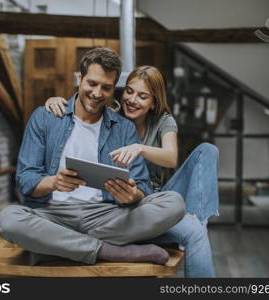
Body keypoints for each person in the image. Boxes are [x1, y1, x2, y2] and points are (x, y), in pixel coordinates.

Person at [0, 48, 185, 267]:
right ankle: (109, 251)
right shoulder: (45, 117)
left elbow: (142, 185)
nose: (97, 93)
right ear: (79, 78)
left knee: (174, 203)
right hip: (52, 215)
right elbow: (25, 179)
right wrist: (54, 182)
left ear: (114, 89)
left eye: (106, 87)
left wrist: (131, 195)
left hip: (106, 216)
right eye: (92, 83)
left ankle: (58, 247)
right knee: (8, 220)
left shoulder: (123, 128)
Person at [45, 65, 219, 277]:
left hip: (160, 195)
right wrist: (54, 100)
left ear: (154, 102)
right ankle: (191, 226)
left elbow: (171, 158)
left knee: (207, 151)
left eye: (143, 96)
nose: (132, 100)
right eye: (129, 91)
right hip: (128, 202)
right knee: (194, 233)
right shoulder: (112, 117)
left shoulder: (163, 121)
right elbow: (85, 106)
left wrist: (140, 148)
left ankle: (198, 220)